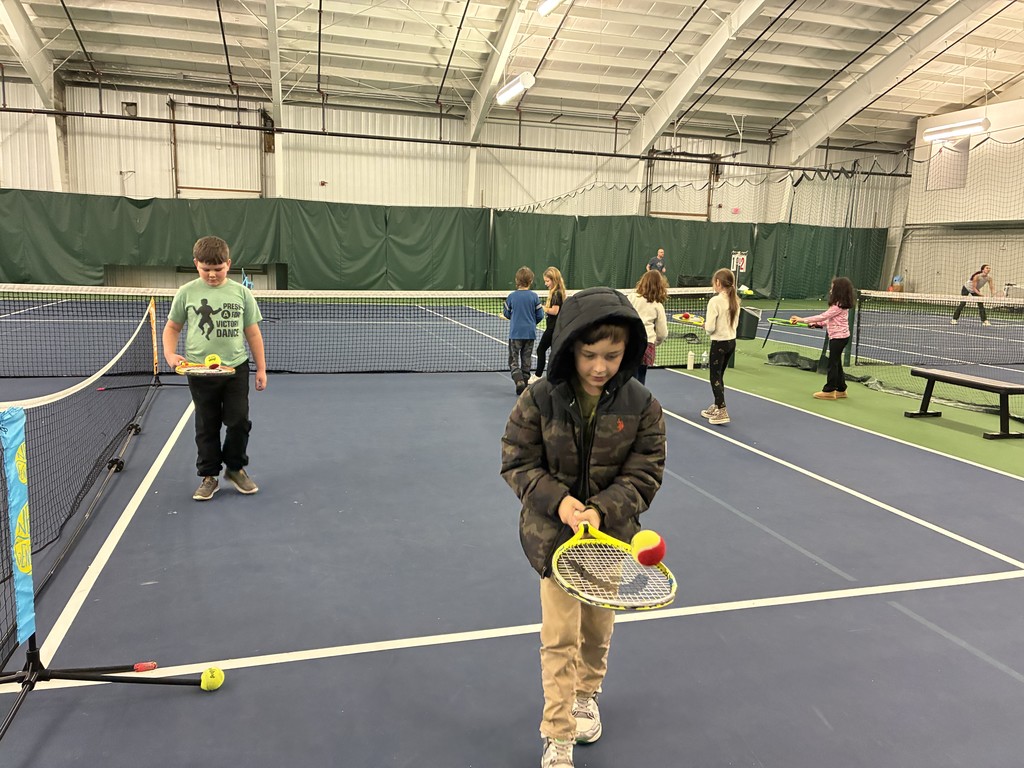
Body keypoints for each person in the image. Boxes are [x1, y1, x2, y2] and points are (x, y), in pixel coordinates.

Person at [500, 287, 667, 768]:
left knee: (596, 627)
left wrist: (598, 511)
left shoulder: (644, 406)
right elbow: (517, 462)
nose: (600, 366)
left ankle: (586, 694)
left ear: (628, 351)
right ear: (570, 347)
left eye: (612, 355)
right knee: (559, 636)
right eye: (589, 354)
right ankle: (557, 733)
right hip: (554, 543)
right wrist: (564, 506)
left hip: (609, 542)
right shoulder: (538, 399)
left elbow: (644, 473)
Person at [163, 236, 267, 501]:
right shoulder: (186, 292)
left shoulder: (241, 293)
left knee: (239, 421)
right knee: (206, 424)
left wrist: (261, 369)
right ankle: (209, 476)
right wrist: (169, 354)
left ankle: (235, 468)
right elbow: (173, 327)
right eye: (205, 268)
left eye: (218, 269)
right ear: (196, 264)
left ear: (228, 264)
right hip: (199, 371)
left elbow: (253, 333)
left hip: (235, 369)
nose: (211, 274)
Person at [791, 276, 855, 400]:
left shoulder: (838, 306)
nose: (830, 291)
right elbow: (828, 320)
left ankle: (830, 390)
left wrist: (802, 320)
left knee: (832, 364)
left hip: (838, 338)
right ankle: (841, 389)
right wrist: (816, 324)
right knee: (837, 363)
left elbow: (823, 316)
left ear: (839, 290)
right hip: (840, 337)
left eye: (832, 288)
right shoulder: (839, 305)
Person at [700, 268, 740, 424]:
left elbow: (710, 327)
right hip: (731, 342)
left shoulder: (715, 301)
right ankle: (717, 405)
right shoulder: (735, 300)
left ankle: (722, 411)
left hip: (719, 343)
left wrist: (705, 326)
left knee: (714, 377)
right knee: (719, 376)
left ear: (718, 282)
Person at [502, 266, 545, 395]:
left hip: (515, 334)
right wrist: (531, 323)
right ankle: (525, 383)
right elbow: (540, 315)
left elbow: (507, 313)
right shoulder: (534, 297)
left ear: (516, 280)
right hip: (530, 333)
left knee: (513, 359)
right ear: (531, 280)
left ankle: (518, 380)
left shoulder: (511, 297)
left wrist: (515, 318)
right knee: (526, 359)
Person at [627, 271, 668, 385]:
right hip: (647, 344)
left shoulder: (631, 298)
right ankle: (640, 401)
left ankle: (630, 401)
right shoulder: (658, 306)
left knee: (630, 377)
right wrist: (656, 342)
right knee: (641, 376)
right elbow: (662, 333)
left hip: (631, 343)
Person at [532, 267, 567, 384]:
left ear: (554, 279)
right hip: (554, 327)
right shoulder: (556, 292)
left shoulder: (556, 293)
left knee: (541, 349)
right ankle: (556, 376)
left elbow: (555, 311)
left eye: (547, 281)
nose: (546, 284)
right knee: (554, 352)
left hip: (553, 328)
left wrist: (542, 307)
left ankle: (537, 376)